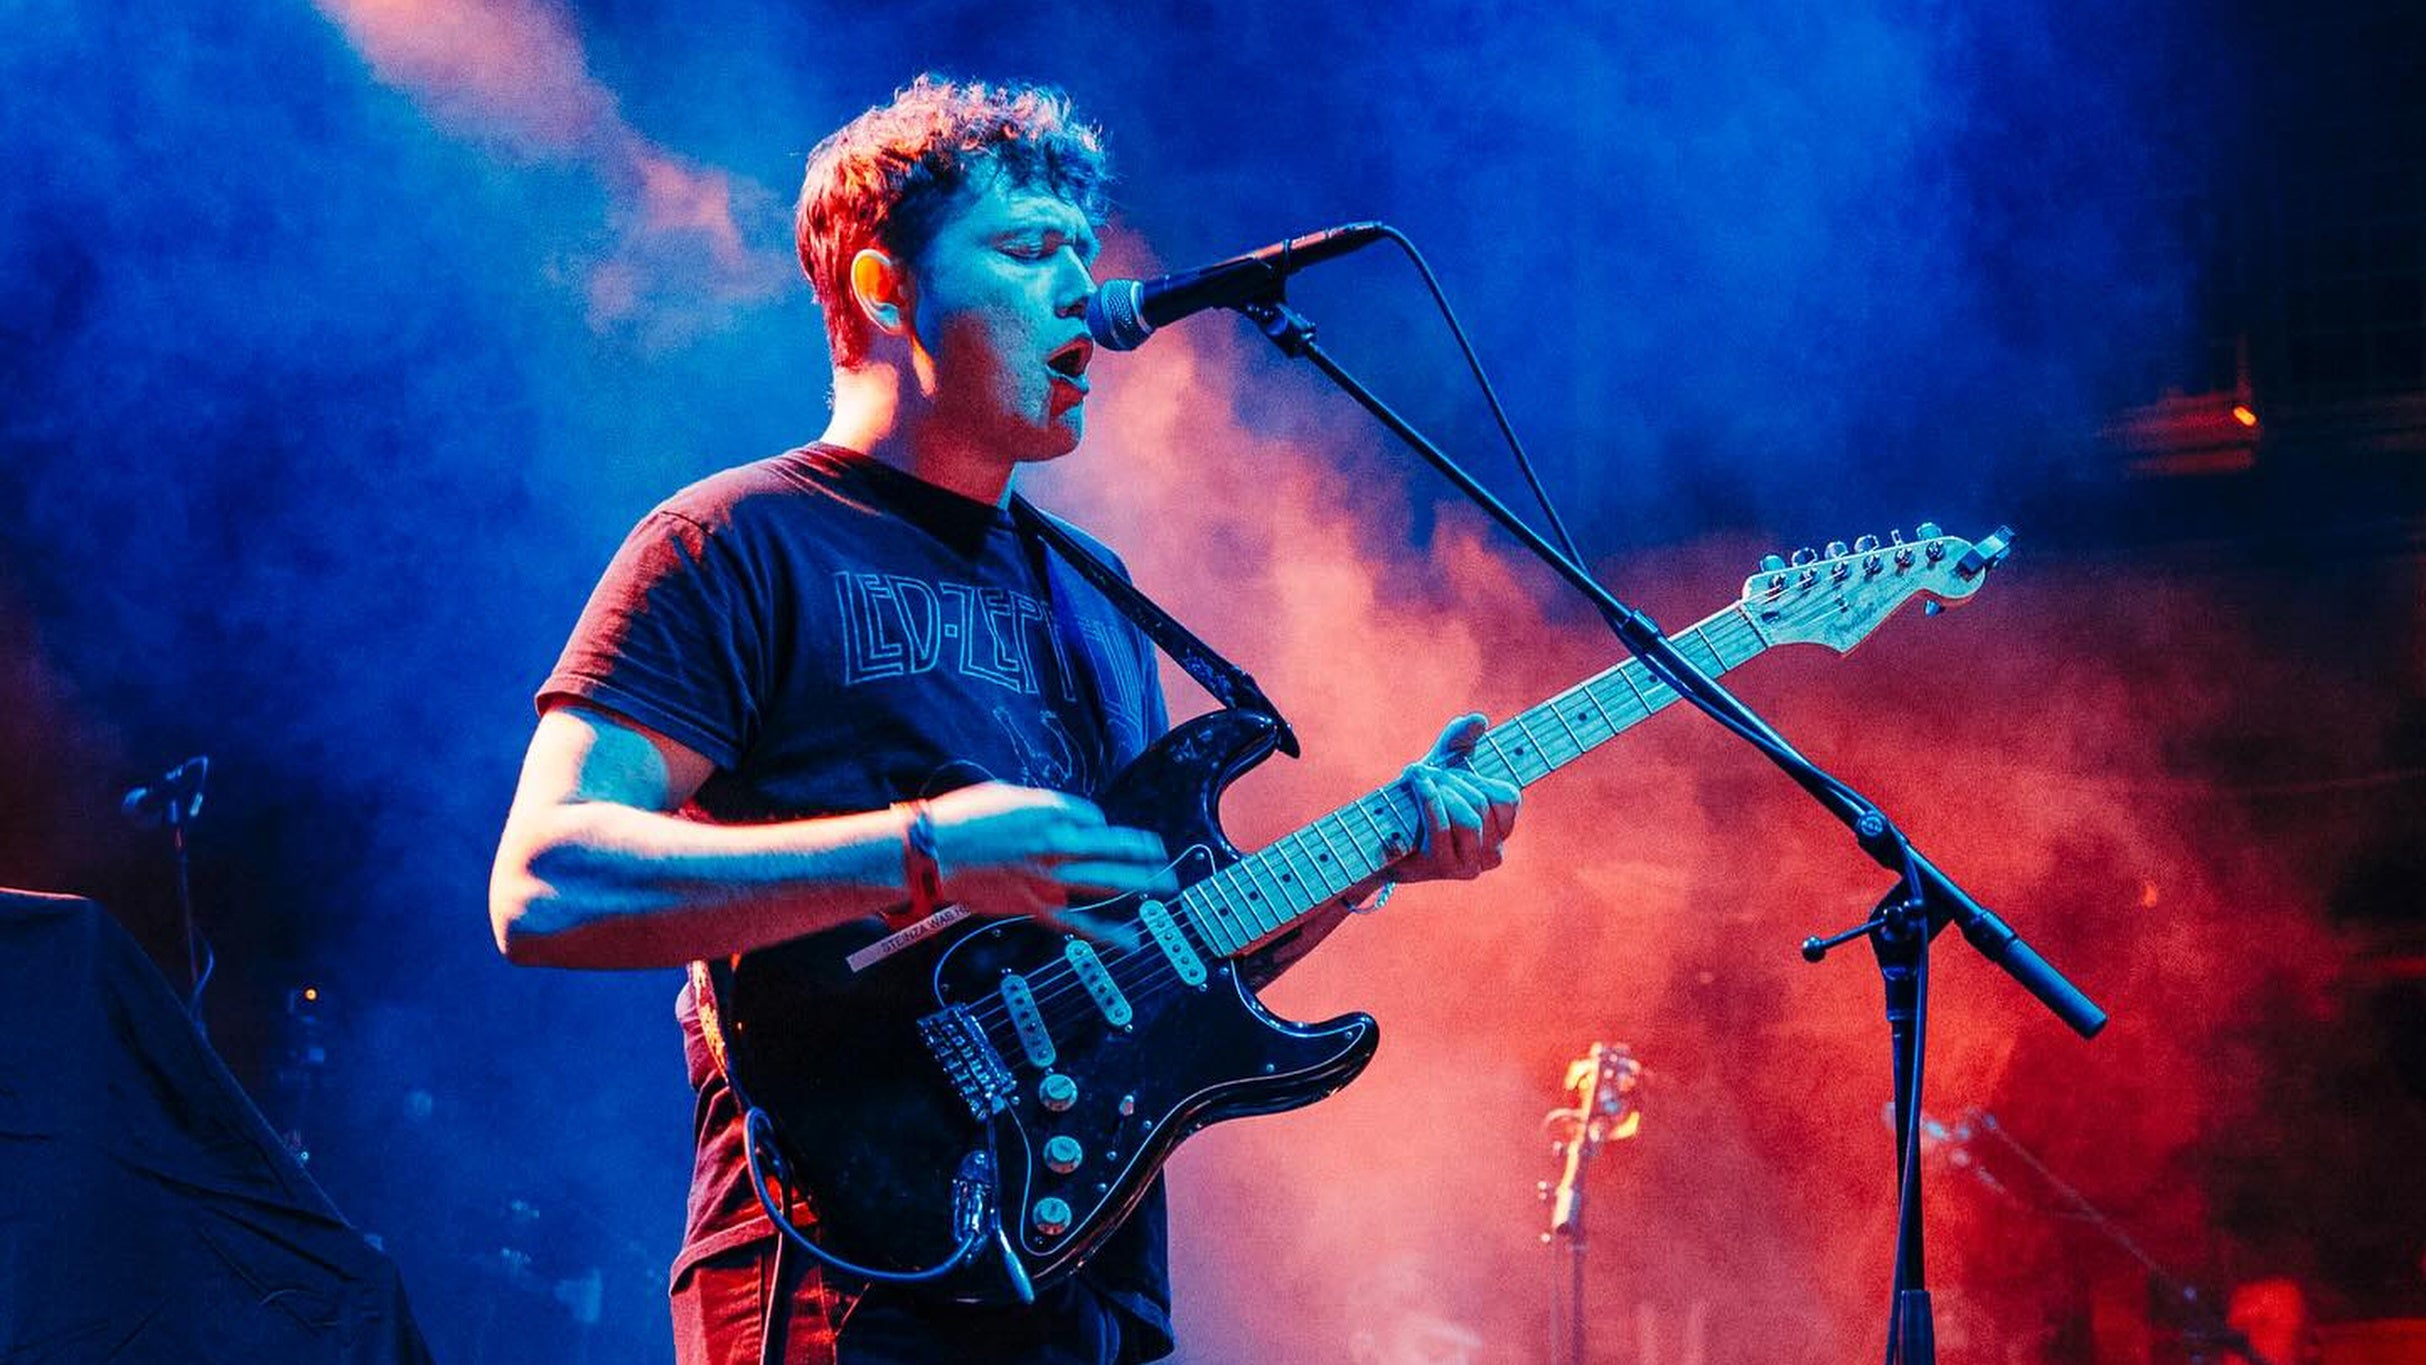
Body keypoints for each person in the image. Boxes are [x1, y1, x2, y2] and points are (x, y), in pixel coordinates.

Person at [488, 75, 1521, 1365]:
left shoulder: (1098, 598)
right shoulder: (732, 542)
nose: (1083, 292)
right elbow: (545, 884)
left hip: (1076, 1288)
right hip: (842, 1279)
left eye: (1085, 252)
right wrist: (924, 853)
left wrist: (1372, 861)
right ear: (884, 291)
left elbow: (1147, 960)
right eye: (1030, 252)